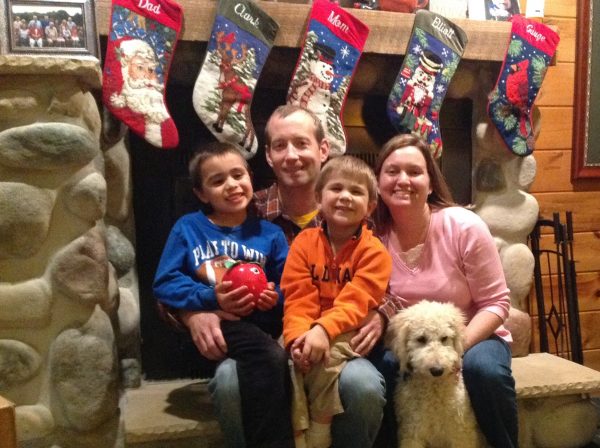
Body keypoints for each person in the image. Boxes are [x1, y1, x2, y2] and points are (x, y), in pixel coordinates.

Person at [202, 105, 388, 448]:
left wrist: (382, 312)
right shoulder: (243, 210)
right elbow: (187, 269)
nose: (292, 155)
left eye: (301, 144)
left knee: (362, 386)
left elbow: (381, 283)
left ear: (323, 149)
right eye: (280, 146)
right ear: (269, 157)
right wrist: (193, 312)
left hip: (338, 341)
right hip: (265, 342)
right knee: (229, 382)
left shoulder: (357, 220)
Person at [373, 133, 518, 447]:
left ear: (430, 180)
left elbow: (496, 303)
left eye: (414, 171)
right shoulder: (373, 237)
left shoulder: (464, 226)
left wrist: (455, 348)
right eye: (392, 171)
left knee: (484, 372)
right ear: (379, 180)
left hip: (473, 333)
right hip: (407, 338)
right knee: (381, 368)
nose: (403, 180)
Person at [153, 142, 294, 447]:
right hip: (219, 329)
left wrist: (274, 295)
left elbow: (288, 285)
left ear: (250, 178)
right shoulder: (188, 228)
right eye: (217, 181)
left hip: (262, 325)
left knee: (269, 359)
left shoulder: (270, 234)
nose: (231, 185)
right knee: (271, 356)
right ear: (202, 193)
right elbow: (165, 282)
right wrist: (209, 298)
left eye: (237, 175)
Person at [281, 156, 392, 448]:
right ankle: (297, 431)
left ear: (370, 207)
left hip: (349, 332)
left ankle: (319, 430)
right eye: (336, 188)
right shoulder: (303, 244)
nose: (345, 196)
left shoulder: (375, 252)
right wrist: (297, 339)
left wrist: (323, 331)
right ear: (319, 197)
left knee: (327, 359)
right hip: (305, 328)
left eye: (356, 191)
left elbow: (357, 301)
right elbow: (297, 296)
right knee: (285, 364)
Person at [109, 38, 171, 147]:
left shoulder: (151, 93)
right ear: (126, 69)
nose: (147, 75)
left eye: (151, 69)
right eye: (140, 68)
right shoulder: (126, 92)